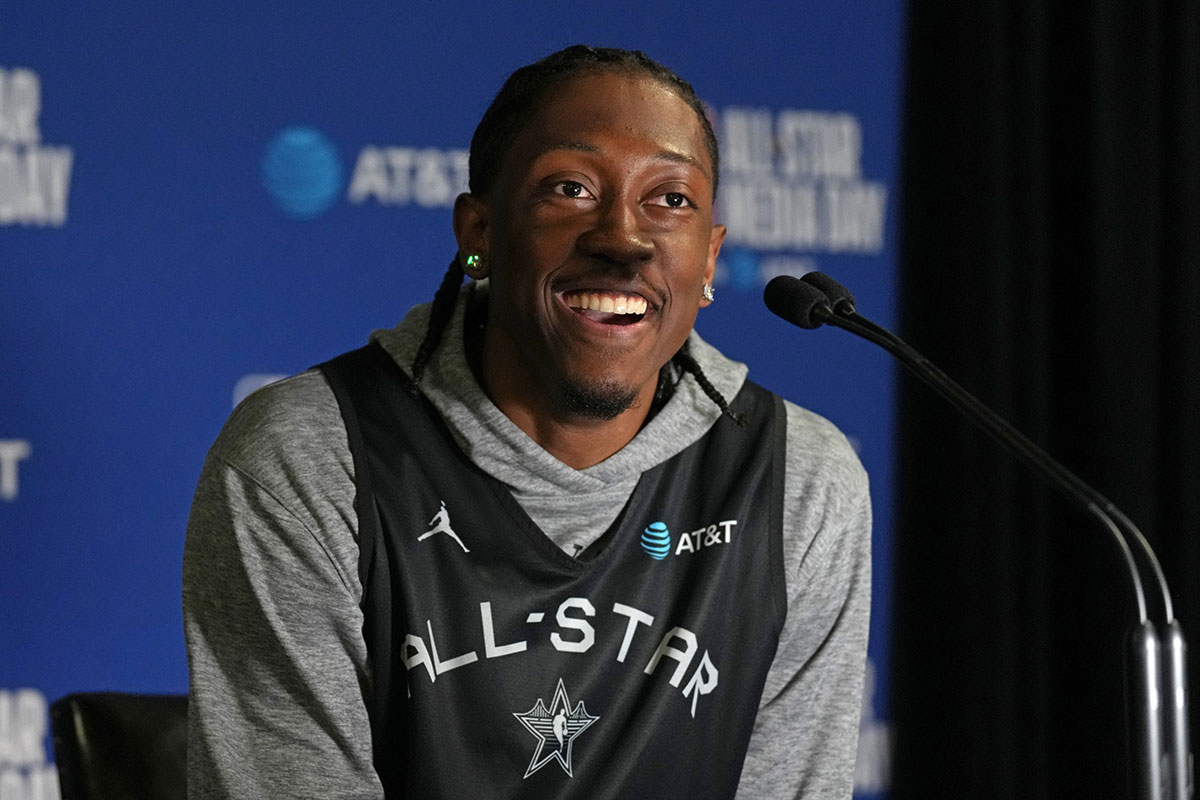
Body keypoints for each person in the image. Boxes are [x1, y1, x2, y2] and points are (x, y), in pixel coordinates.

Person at [183, 45, 871, 799]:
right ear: (478, 232)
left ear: (709, 259)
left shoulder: (797, 479)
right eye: (570, 188)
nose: (623, 239)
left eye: (670, 199)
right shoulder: (311, 457)